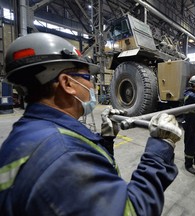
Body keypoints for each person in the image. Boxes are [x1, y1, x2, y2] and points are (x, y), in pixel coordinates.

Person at [0, 32, 182, 216]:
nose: (92, 87)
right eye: (88, 79)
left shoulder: (28, 132)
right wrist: (160, 150)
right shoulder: (64, 156)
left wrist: (106, 141)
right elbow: (133, 211)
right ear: (67, 83)